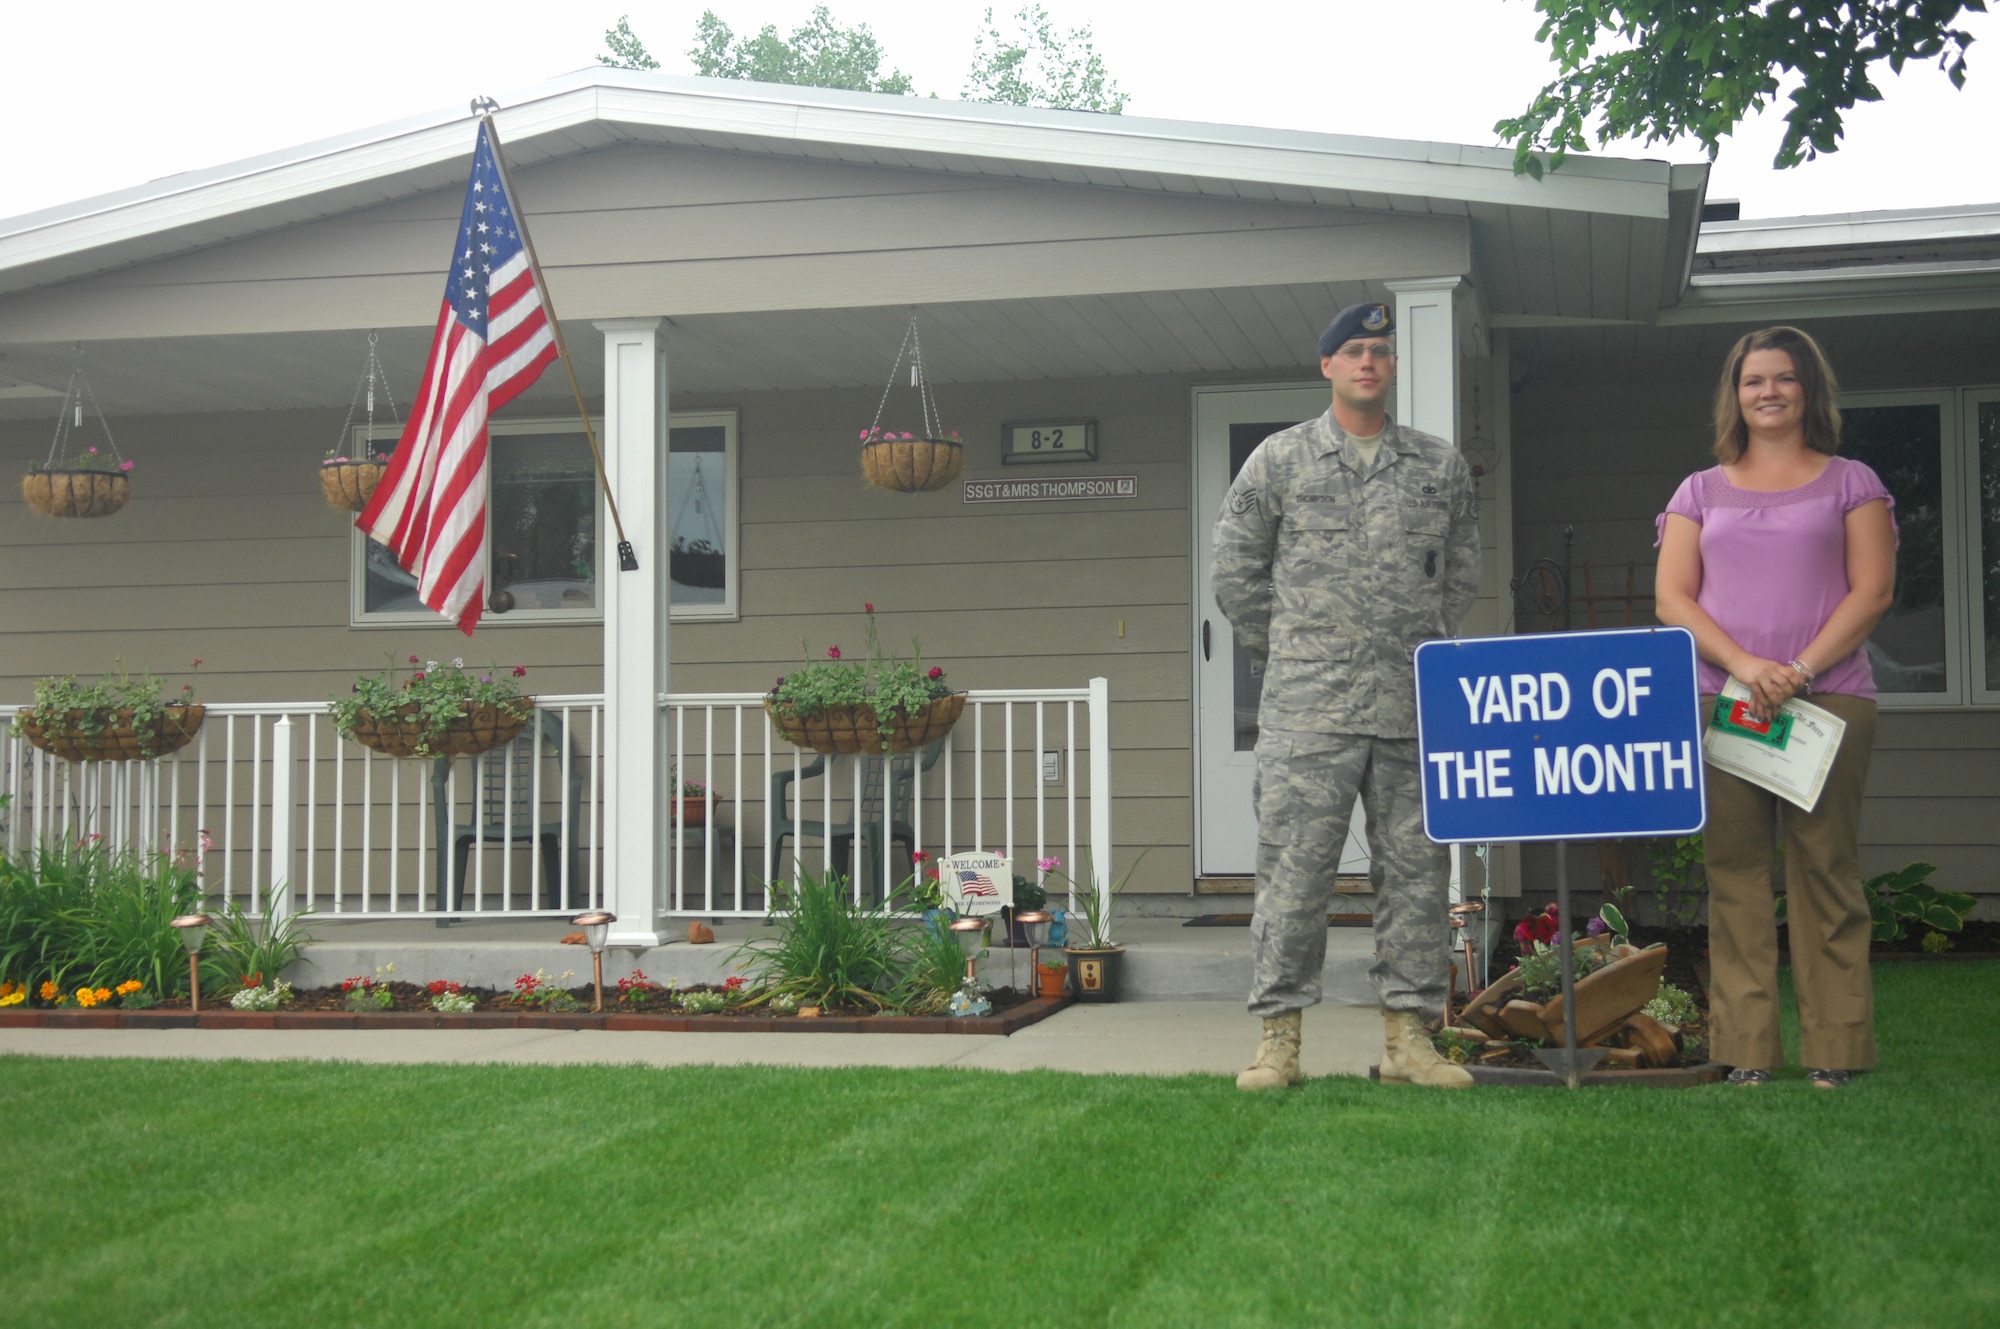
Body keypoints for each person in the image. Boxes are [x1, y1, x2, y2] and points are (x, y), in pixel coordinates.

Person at [1211, 301, 1480, 1091]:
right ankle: (1279, 1043)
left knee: (1418, 878)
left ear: (1392, 368)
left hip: (1408, 708)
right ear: (1327, 365)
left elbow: (1459, 574)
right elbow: (1235, 574)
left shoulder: (1438, 466)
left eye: (1381, 351)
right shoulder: (1280, 461)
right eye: (1354, 351)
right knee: (1294, 881)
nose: (1369, 361)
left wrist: (1412, 642)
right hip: (1308, 713)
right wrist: (1292, 646)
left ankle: (1408, 1041)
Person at [1653, 325, 1896, 1089]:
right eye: (1753, 380)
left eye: (1784, 378)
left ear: (1808, 390)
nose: (1768, 392)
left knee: (1825, 867)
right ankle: (1747, 1048)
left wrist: (1796, 667)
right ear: (1735, 395)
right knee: (1736, 872)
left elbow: (1873, 591)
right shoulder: (1699, 490)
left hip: (1829, 702)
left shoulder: (1850, 482)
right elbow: (1672, 599)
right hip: (1725, 700)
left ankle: (1837, 1047)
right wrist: (1748, 666)